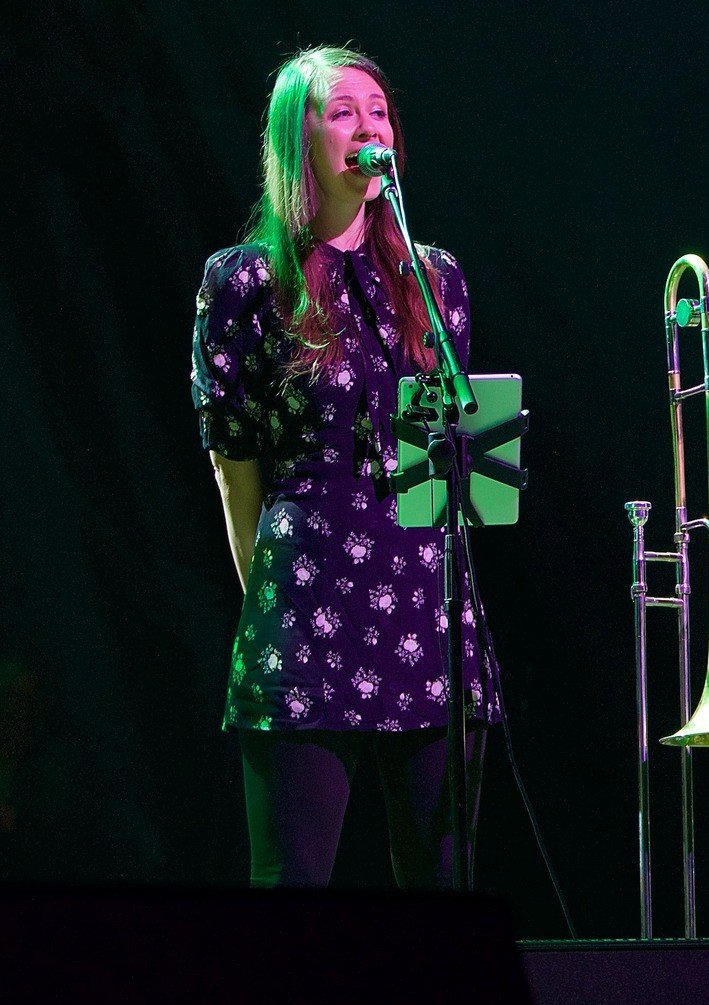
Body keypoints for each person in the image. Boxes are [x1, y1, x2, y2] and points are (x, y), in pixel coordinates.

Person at [192, 45, 495, 890]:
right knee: (293, 880)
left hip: (423, 599)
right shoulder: (246, 280)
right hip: (305, 599)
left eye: (379, 112)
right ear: (301, 139)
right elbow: (234, 466)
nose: (369, 129)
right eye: (343, 112)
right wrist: (267, 604)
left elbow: (459, 450)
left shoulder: (434, 280)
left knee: (443, 879)